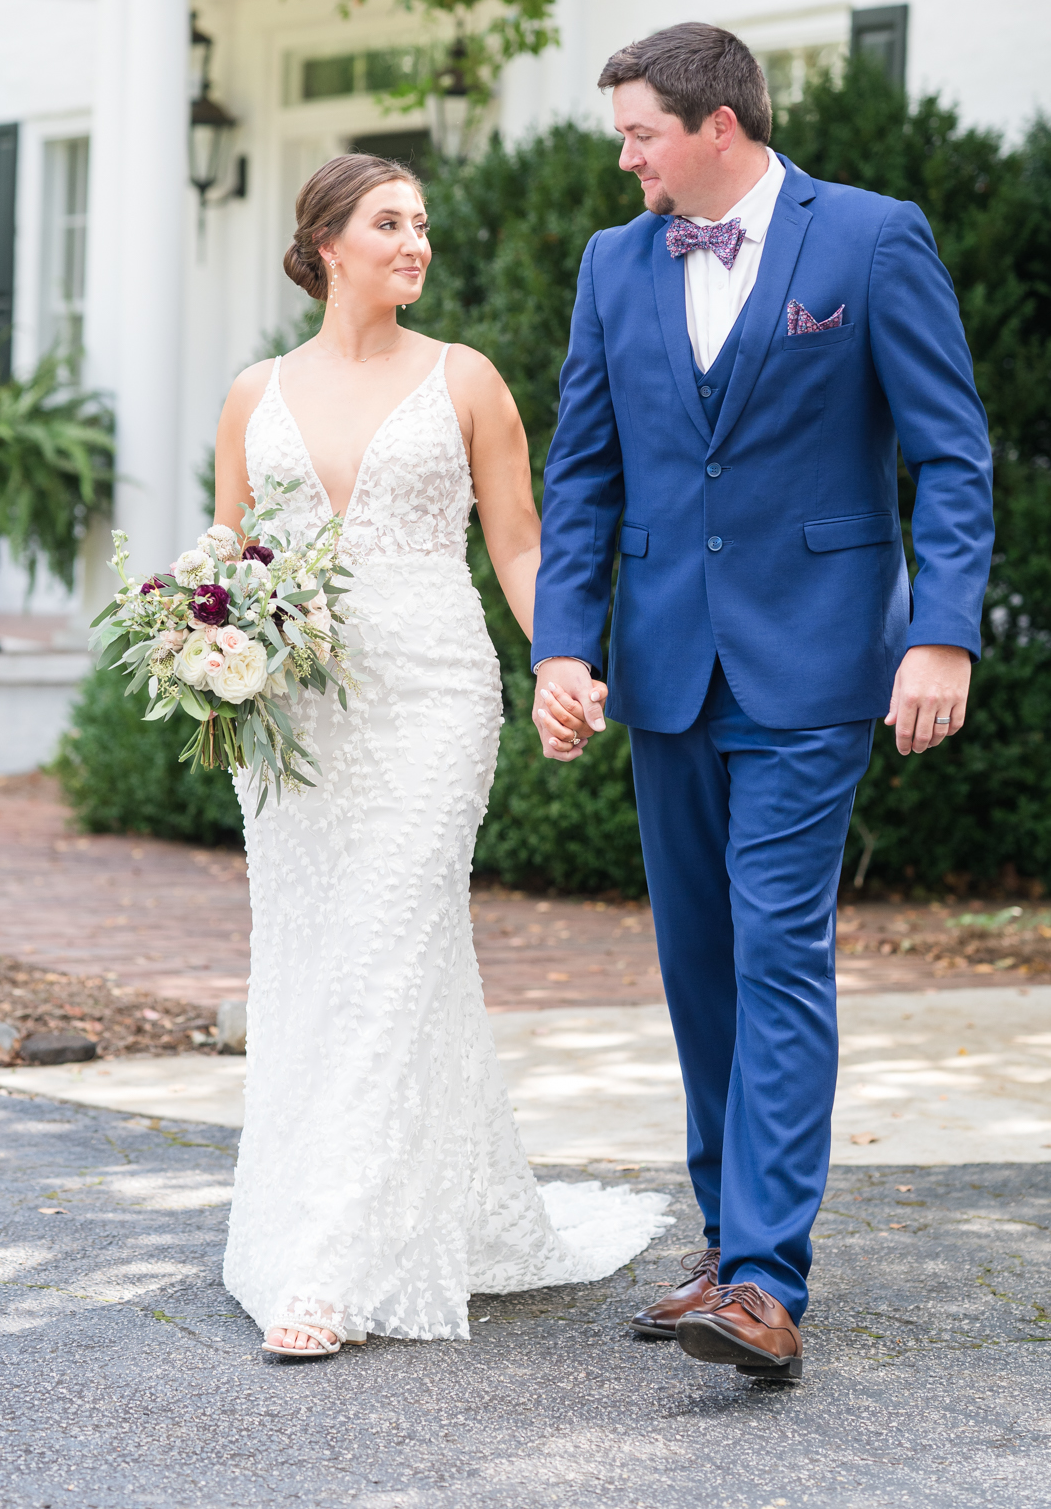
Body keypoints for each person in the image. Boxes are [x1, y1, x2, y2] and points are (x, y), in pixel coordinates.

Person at [531, 25, 993, 1384]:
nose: (624, 157)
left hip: (817, 663)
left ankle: (767, 1280)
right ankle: (732, 1245)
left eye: (640, 133)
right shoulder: (615, 264)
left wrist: (944, 638)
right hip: (667, 666)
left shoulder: (868, 239)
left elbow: (951, 455)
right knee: (697, 969)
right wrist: (566, 645)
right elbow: (584, 473)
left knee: (776, 947)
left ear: (718, 123)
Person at [212, 152, 669, 1361]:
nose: (415, 241)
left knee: (394, 935)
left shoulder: (464, 378)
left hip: (431, 696)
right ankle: (382, 1200)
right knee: (319, 955)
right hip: (295, 720)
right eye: (389, 222)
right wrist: (196, 649)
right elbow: (226, 562)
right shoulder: (253, 391)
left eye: (421, 223)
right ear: (325, 243)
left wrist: (560, 660)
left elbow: (521, 546)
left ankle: (324, 1266)